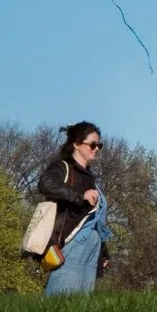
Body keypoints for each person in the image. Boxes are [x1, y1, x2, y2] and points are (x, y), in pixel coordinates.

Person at [37, 122, 112, 295]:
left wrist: (103, 252)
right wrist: (79, 196)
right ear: (76, 144)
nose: (97, 149)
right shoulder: (62, 167)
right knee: (61, 301)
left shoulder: (90, 177)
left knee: (81, 307)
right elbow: (45, 183)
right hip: (72, 242)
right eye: (92, 144)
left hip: (91, 246)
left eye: (99, 145)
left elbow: (95, 220)